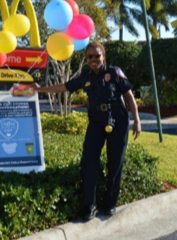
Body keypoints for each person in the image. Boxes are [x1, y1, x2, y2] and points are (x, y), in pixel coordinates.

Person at [31, 41, 141, 222]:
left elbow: (128, 95)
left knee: (115, 163)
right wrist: (40, 89)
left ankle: (110, 204)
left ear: (103, 56)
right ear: (86, 59)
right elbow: (64, 87)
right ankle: (90, 205)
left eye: (97, 56)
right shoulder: (85, 76)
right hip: (96, 121)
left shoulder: (114, 72)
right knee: (89, 161)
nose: (93, 60)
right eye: (90, 57)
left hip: (118, 121)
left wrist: (137, 120)